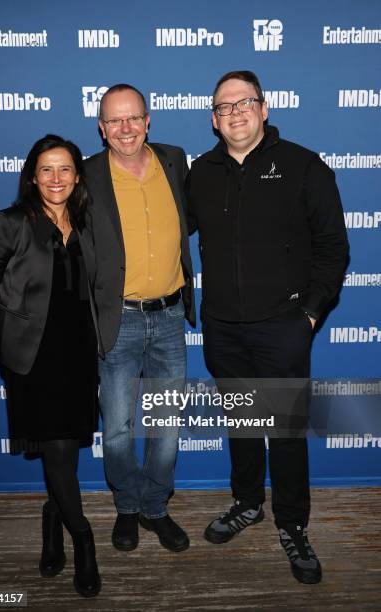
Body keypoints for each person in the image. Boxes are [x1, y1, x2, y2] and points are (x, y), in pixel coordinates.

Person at [186, 71, 349, 584]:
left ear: (264, 108)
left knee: (284, 431)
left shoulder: (304, 166)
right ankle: (247, 502)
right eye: (224, 107)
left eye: (244, 103)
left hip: (283, 325)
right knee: (242, 425)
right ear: (213, 119)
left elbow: (333, 248)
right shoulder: (201, 173)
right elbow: (157, 229)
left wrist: (309, 315)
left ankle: (293, 524)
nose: (234, 113)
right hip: (223, 327)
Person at [0, 134, 102, 598]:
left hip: (80, 357)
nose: (56, 178)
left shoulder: (85, 221)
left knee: (62, 454)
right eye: (46, 169)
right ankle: (82, 537)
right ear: (31, 175)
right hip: (34, 361)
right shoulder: (11, 223)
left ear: (77, 175)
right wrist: (14, 325)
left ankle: (51, 519)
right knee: (60, 452)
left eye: (65, 169)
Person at [84, 84, 195, 553]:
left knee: (167, 429)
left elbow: (194, 219)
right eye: (115, 121)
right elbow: (54, 221)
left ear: (148, 121)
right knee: (117, 432)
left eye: (134, 118)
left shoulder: (175, 160)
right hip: (119, 322)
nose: (125, 129)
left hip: (169, 317)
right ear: (101, 128)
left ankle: (155, 508)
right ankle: (128, 507)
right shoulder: (87, 174)